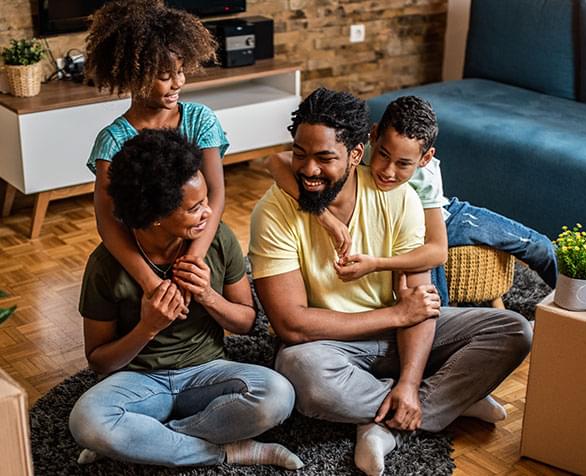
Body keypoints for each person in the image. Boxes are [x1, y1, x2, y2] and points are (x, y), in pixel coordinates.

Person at [249, 88, 533, 476]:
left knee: (513, 329)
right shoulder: (273, 212)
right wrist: (396, 315)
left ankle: (390, 418)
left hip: (397, 337)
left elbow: (419, 297)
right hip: (328, 346)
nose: (309, 169)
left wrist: (411, 384)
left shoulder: (400, 198)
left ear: (355, 154)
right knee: (300, 370)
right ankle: (448, 403)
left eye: (324, 157)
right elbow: (292, 325)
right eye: (300, 153)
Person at [69, 129, 303, 470]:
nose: (209, 213)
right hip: (138, 381)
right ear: (156, 216)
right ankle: (229, 452)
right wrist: (147, 327)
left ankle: (149, 439)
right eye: (195, 208)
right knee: (86, 422)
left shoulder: (217, 240)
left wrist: (208, 296)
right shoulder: (106, 265)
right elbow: (101, 362)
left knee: (278, 395)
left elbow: (248, 323)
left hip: (206, 373)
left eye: (206, 200)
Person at [264, 95, 557, 305]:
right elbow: (276, 161)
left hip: (446, 218)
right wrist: (322, 215)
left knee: (538, 245)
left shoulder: (426, 177)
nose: (388, 171)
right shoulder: (354, 151)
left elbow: (436, 250)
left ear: (425, 158)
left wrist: (378, 264)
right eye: (383, 155)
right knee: (428, 298)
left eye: (403, 164)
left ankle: (581, 306)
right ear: (374, 137)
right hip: (392, 221)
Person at [84, 0, 227, 304]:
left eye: (180, 71)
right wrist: (150, 282)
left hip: (197, 237)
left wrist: (192, 263)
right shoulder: (112, 141)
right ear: (134, 76)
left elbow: (215, 193)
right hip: (145, 250)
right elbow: (108, 222)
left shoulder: (200, 120)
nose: (178, 83)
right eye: (165, 75)